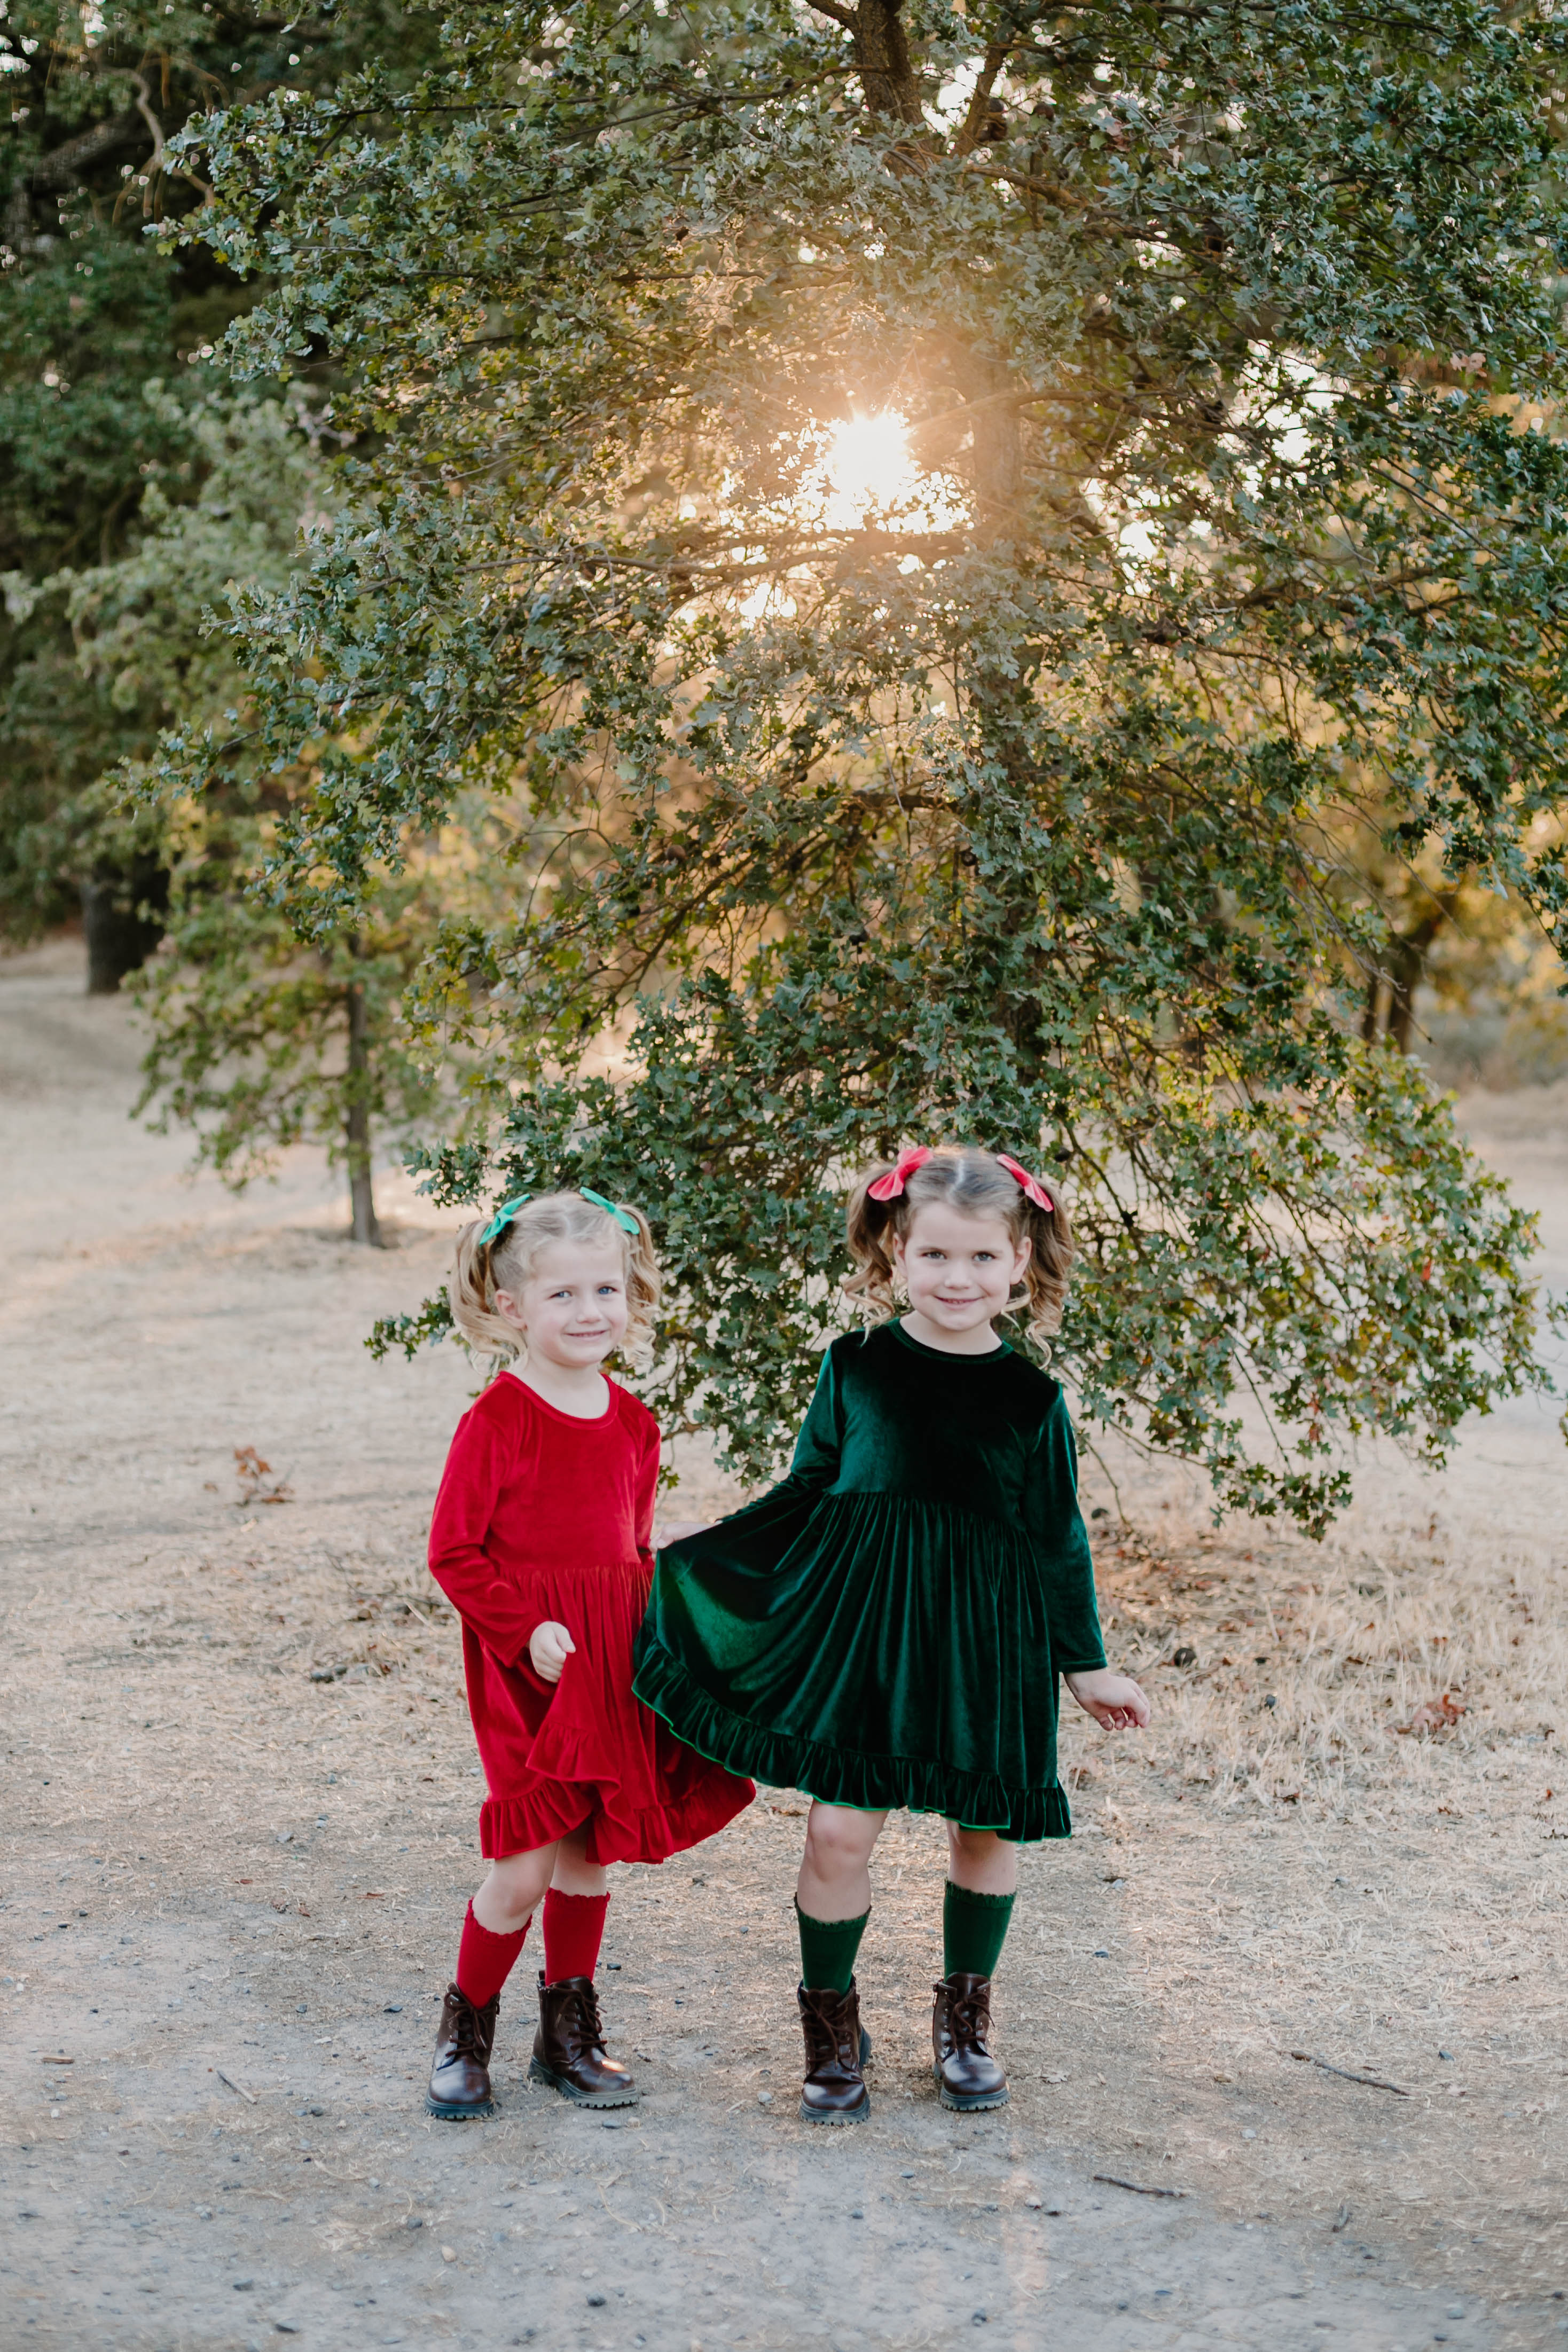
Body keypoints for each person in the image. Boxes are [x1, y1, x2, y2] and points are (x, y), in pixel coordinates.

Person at [634, 1143, 1149, 2123]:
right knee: (836, 1830)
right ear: (896, 1254)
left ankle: (966, 2024)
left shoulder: (1033, 1401)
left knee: (984, 1830)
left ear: (1020, 1259)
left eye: (983, 1258)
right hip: (867, 1634)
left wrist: (1087, 1667)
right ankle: (832, 2032)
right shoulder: (856, 1367)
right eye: (936, 1256)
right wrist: (703, 1550)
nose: (959, 1279)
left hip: (988, 1641)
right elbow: (807, 1489)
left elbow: (1057, 1539)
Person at [424, 1188, 752, 2121]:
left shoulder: (635, 1423)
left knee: (588, 1854)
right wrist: (524, 1631)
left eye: (605, 1290)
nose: (588, 1312)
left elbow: (628, 1548)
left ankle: (566, 2036)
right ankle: (464, 2032)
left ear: (630, 1294)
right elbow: (454, 1552)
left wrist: (679, 1575)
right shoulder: (500, 1419)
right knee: (525, 1863)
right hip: (529, 1670)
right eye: (562, 1294)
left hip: (608, 1663)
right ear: (511, 1305)